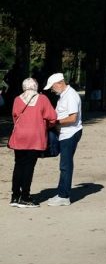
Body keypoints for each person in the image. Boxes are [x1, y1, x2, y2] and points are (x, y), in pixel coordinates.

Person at [8, 78, 58, 208]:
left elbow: (14, 117)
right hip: (35, 137)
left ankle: (15, 196)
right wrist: (44, 125)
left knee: (18, 165)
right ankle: (25, 196)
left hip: (19, 136)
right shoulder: (42, 99)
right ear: (35, 86)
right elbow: (52, 118)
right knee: (29, 167)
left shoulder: (17, 99)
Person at [44, 73, 83, 206]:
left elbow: (72, 118)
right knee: (64, 165)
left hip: (70, 133)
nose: (52, 90)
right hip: (66, 133)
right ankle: (61, 192)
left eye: (52, 88)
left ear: (59, 84)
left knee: (65, 165)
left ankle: (64, 196)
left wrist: (56, 122)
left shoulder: (70, 96)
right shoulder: (64, 95)